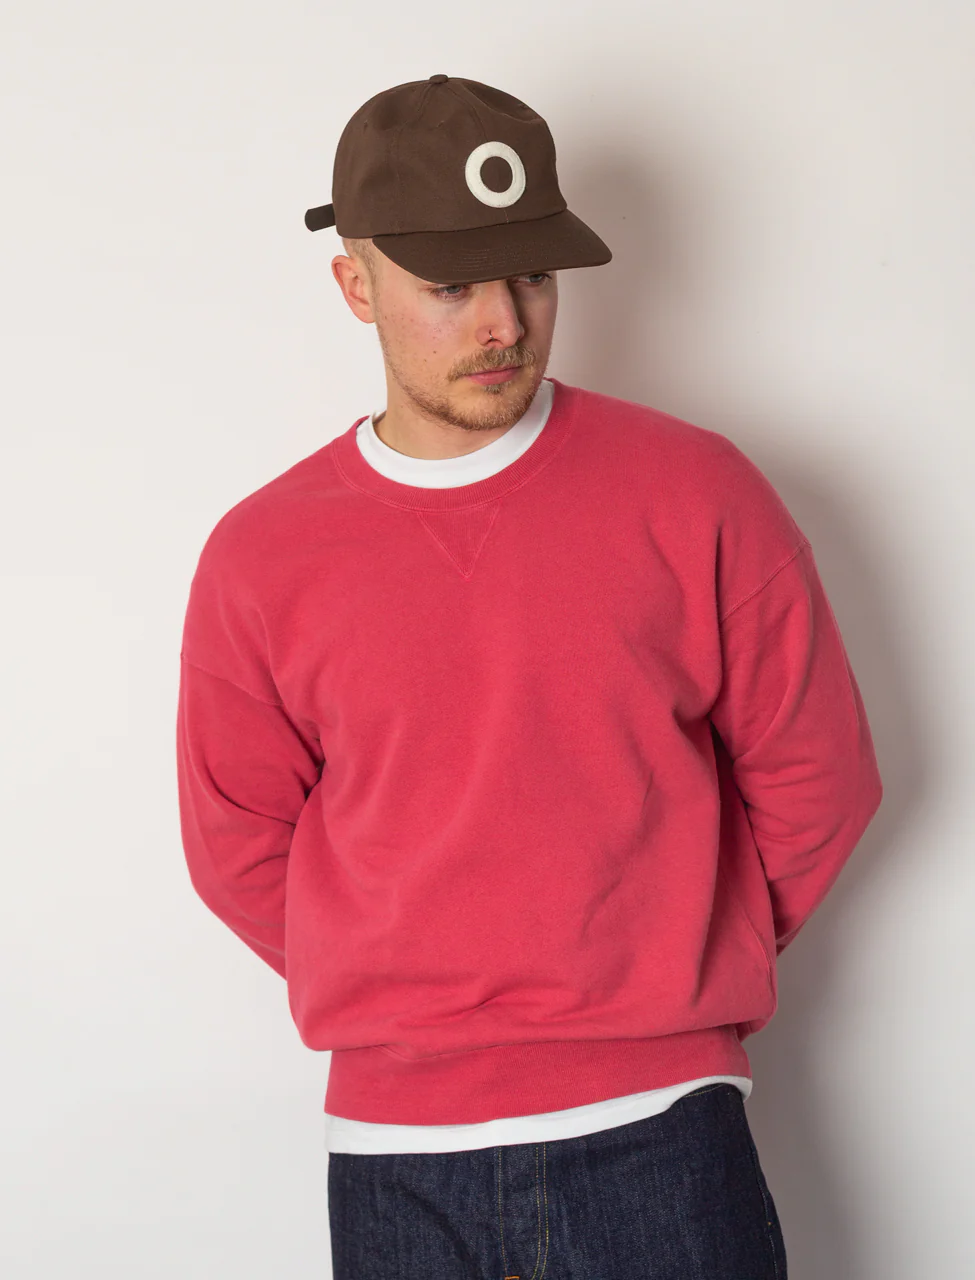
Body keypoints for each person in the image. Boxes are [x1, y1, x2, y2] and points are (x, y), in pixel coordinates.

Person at [176, 74, 883, 1279]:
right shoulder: (263, 555)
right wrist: (405, 979)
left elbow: (818, 773)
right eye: (451, 285)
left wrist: (670, 949)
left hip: (662, 1128)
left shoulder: (695, 492)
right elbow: (235, 839)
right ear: (356, 285)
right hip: (398, 1158)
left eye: (533, 275)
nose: (504, 321)